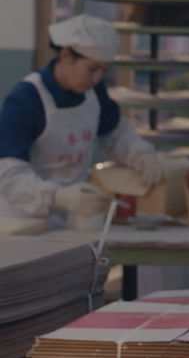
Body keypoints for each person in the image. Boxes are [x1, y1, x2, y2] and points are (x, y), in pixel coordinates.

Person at [0, 15, 165, 226]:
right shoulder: (26, 100)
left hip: (74, 215)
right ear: (66, 55)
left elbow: (115, 135)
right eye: (92, 69)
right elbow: (9, 173)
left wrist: (141, 155)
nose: (97, 79)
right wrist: (57, 197)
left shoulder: (94, 92)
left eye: (104, 71)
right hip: (22, 218)